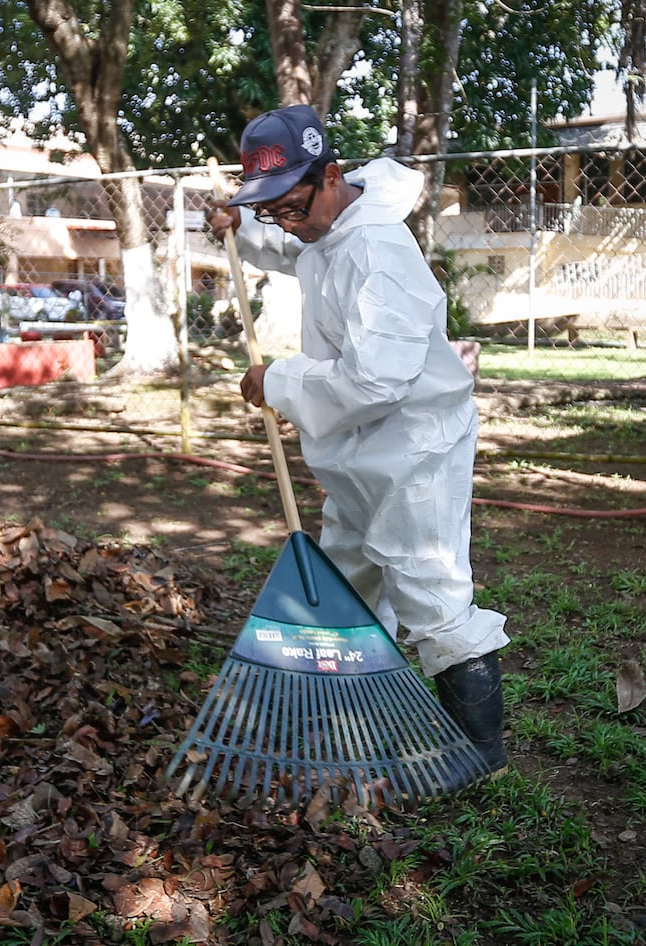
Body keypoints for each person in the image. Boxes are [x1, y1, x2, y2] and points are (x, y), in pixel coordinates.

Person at [207, 105, 510, 774]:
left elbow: (377, 380)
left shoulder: (380, 252)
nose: (285, 223)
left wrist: (279, 380)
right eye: (269, 212)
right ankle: (348, 704)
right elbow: (299, 249)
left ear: (332, 176)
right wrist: (242, 230)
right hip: (357, 451)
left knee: (431, 590)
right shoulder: (329, 224)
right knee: (347, 575)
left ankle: (479, 750)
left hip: (413, 449)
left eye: (289, 207)